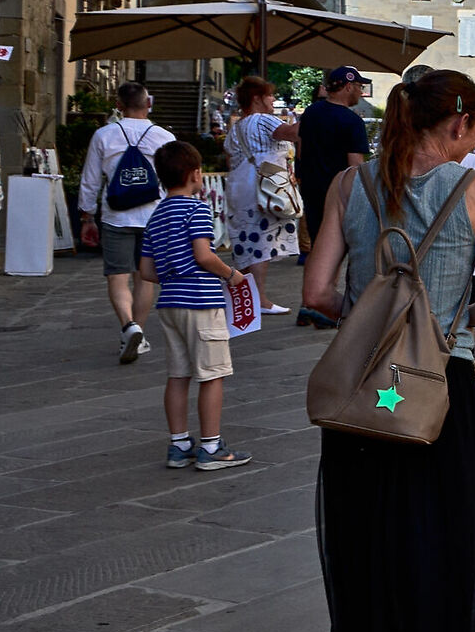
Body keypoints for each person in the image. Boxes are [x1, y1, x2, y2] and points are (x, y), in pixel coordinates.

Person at [302, 69, 475, 632]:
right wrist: (451, 326)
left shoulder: (347, 187)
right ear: (457, 125)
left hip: (371, 394)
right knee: (441, 557)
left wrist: (375, 323)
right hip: (434, 394)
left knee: (372, 550)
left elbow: (317, 294)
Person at [136, 142, 251, 471]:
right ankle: (211, 447)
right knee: (212, 375)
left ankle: (179, 444)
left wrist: (173, 276)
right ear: (195, 174)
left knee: (178, 375)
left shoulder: (155, 216)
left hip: (169, 303)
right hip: (201, 301)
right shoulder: (196, 210)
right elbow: (203, 255)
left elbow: (146, 271)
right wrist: (231, 275)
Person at [75, 82, 175, 363]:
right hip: (154, 216)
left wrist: (87, 216)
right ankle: (139, 332)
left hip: (116, 215)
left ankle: (128, 326)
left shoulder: (103, 135)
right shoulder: (164, 136)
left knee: (117, 276)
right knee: (145, 277)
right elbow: (172, 180)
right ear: (149, 104)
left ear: (118, 106)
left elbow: (90, 179)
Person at [294, 67, 374, 326]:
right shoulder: (352, 122)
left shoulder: (311, 113)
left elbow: (301, 150)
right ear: (348, 86)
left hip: (312, 188)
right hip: (339, 194)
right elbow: (355, 166)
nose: (361, 92)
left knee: (318, 247)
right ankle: (324, 304)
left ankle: (308, 304)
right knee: (338, 250)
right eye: (360, 87)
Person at [222, 76, 301, 315]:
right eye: (269, 95)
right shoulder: (263, 120)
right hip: (265, 189)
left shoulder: (236, 127)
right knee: (261, 243)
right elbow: (291, 133)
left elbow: (229, 158)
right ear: (257, 99)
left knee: (246, 242)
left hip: (240, 188)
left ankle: (241, 296)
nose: (273, 100)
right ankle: (259, 300)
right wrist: (313, 114)